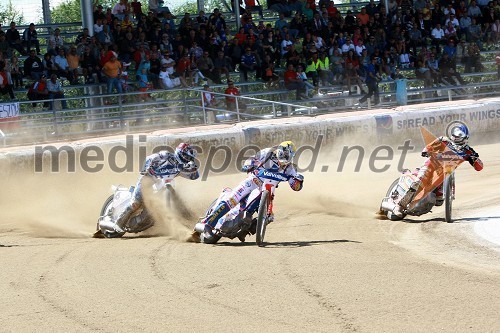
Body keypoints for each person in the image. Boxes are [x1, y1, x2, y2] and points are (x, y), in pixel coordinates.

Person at [199, 141, 304, 240]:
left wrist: (298, 181)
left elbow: (295, 186)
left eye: (287, 155)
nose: (284, 157)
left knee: (269, 217)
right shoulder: (268, 152)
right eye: (283, 153)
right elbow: (253, 158)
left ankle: (244, 230)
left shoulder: (290, 168)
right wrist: (248, 165)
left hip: (267, 191)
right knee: (232, 199)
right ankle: (208, 224)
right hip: (252, 181)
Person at [101, 143, 200, 235]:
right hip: (147, 179)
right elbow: (150, 158)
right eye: (188, 157)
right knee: (135, 203)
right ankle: (118, 223)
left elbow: (194, 176)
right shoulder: (166, 155)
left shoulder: (181, 169)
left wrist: (193, 168)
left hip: (161, 186)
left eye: (191, 158)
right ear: (181, 154)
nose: (189, 159)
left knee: (161, 208)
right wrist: (147, 168)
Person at [393, 124, 483, 217]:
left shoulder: (469, 151)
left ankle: (425, 201)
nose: (456, 139)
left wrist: (476, 161)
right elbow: (429, 147)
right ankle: (399, 206)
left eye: (459, 137)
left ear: (465, 138)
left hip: (446, 172)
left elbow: (479, 167)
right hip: (431, 166)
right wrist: (427, 151)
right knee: (418, 182)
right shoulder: (443, 141)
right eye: (455, 136)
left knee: (439, 200)